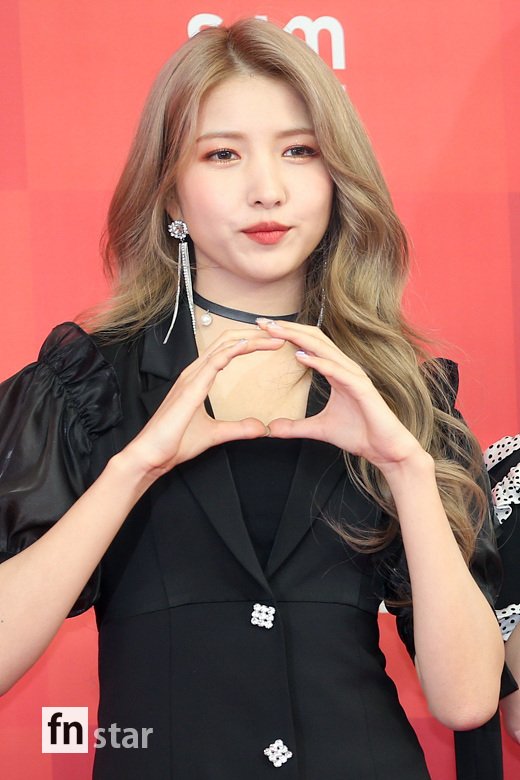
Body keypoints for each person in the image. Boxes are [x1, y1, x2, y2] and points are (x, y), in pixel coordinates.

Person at [0, 19, 504, 780]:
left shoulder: (402, 394)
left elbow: (466, 700)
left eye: (300, 151)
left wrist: (406, 467)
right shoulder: (86, 386)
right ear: (169, 190)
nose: (267, 188)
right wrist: (133, 469)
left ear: (337, 178)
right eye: (222, 154)